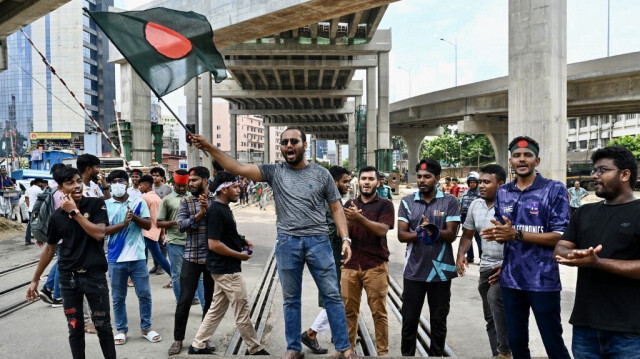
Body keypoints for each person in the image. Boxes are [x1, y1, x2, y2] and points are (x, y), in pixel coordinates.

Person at [192, 129, 357, 359]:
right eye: (284, 142)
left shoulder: (321, 174)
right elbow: (237, 167)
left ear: (304, 144)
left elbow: (336, 207)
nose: (289, 145)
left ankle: (344, 348)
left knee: (332, 295)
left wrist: (345, 239)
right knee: (291, 299)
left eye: (294, 141)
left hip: (319, 242)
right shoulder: (274, 171)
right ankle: (294, 348)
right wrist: (208, 146)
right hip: (287, 243)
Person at [480, 136, 571, 359]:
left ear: (537, 161)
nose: (522, 160)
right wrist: (499, 236)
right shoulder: (503, 192)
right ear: (510, 161)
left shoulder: (554, 189)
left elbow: (560, 236)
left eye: (527, 155)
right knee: (517, 344)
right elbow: (506, 234)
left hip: (543, 281)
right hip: (511, 280)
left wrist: (515, 234)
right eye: (517, 156)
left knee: (553, 343)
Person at [554, 146, 640, 358]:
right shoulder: (584, 212)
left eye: (602, 170)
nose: (595, 175)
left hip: (630, 331)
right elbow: (561, 247)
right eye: (595, 170)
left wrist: (597, 263)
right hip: (585, 326)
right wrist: (577, 255)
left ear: (625, 174)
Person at [25, 166, 116, 359]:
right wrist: (34, 280)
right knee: (75, 327)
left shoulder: (96, 204)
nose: (76, 186)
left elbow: (99, 234)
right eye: (70, 183)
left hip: (94, 276)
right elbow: (49, 249)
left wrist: (75, 213)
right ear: (60, 188)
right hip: (69, 279)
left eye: (78, 181)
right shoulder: (56, 217)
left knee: (103, 326)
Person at [188, 171, 270, 355]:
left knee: (216, 309)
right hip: (227, 270)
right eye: (234, 187)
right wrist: (239, 255)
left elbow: (225, 235)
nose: (239, 189)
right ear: (224, 189)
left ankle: (198, 344)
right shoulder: (217, 211)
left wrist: (241, 240)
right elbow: (214, 244)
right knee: (242, 310)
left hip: (223, 268)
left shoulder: (222, 209)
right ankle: (254, 347)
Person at [397, 158, 461, 356]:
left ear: (437, 178)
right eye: (420, 176)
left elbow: (450, 235)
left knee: (439, 321)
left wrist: (431, 230)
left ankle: (436, 355)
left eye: (427, 176)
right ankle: (407, 355)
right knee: (409, 320)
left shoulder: (450, 201)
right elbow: (401, 235)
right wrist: (422, 232)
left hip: (441, 273)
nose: (422, 180)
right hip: (414, 271)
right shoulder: (407, 202)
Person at [456, 165, 511, 359]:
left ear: (501, 185)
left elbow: (521, 239)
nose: (481, 186)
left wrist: (508, 266)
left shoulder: (512, 205)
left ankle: (506, 352)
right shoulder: (475, 205)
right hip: (485, 268)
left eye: (487, 182)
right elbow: (467, 234)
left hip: (507, 268)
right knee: (491, 318)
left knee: (498, 305)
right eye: (480, 182)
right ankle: (498, 354)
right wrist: (461, 253)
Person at [341, 166, 395, 355]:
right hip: (350, 265)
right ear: (359, 181)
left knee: (379, 312)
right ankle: (348, 351)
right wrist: (350, 220)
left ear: (378, 182)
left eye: (371, 179)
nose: (366, 182)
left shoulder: (385, 205)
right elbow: (344, 232)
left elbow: (381, 230)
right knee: (348, 312)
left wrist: (359, 218)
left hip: (375, 266)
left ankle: (382, 352)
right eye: (363, 178)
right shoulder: (349, 204)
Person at [104, 170, 161, 345]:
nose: (118, 184)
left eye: (121, 180)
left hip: (137, 257)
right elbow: (102, 230)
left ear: (127, 183)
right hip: (115, 258)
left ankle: (146, 328)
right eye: (114, 181)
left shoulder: (138, 202)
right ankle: (121, 329)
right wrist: (123, 224)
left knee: (144, 294)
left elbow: (148, 224)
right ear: (110, 184)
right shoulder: (105, 205)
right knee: (118, 296)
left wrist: (133, 217)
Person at [302, 166, 351, 354]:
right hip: (331, 253)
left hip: (323, 253)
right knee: (334, 296)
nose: (348, 185)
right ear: (334, 182)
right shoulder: (333, 201)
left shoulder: (319, 198)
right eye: (345, 181)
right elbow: (335, 230)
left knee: (333, 295)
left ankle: (334, 332)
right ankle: (312, 333)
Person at [168, 166, 216, 356]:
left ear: (205, 181)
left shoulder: (217, 200)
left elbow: (224, 225)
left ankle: (204, 339)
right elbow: (181, 226)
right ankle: (178, 340)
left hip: (212, 259)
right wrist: (200, 214)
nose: (190, 183)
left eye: (194, 180)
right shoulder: (186, 202)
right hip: (191, 257)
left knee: (210, 303)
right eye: (190, 180)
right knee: (185, 300)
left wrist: (209, 209)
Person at [157, 170, 205, 303]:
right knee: (177, 274)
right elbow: (158, 222)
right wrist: (175, 222)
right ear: (174, 184)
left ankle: (198, 300)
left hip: (193, 242)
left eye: (184, 185)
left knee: (198, 274)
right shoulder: (167, 200)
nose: (182, 188)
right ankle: (182, 302)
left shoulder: (194, 197)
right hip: (175, 241)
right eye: (179, 185)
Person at [139, 175, 171, 276]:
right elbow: (160, 217)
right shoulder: (157, 197)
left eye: (140, 185)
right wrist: (162, 232)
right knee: (154, 255)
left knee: (154, 255)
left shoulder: (144, 198)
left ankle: (172, 274)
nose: (139, 187)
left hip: (146, 231)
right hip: (155, 230)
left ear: (146, 185)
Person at [460, 172, 482, 263]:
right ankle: (470, 257)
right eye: (470, 182)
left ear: (477, 183)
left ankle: (482, 257)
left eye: (474, 182)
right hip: (465, 217)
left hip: (476, 218)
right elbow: (461, 204)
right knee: (467, 238)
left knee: (479, 239)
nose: (472, 184)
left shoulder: (480, 193)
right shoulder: (465, 193)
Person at [25, 178, 46, 245]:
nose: (42, 184)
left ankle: (28, 239)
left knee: (31, 224)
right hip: (36, 210)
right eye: (41, 183)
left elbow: (27, 198)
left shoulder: (29, 189)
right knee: (34, 224)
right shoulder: (38, 190)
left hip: (31, 209)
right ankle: (32, 239)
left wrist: (29, 206)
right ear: (38, 183)